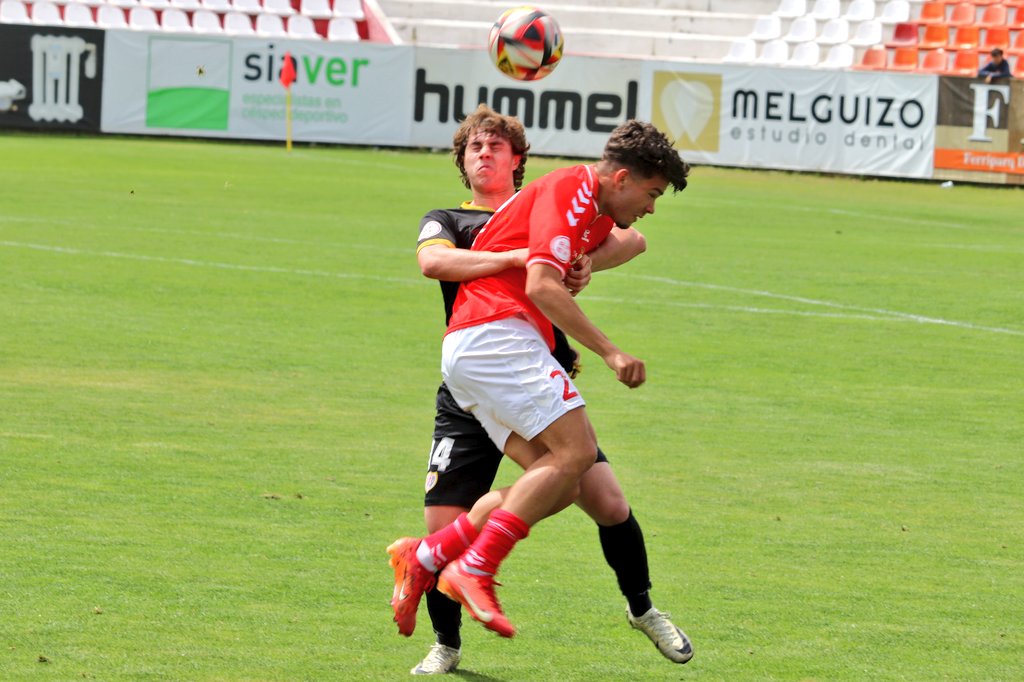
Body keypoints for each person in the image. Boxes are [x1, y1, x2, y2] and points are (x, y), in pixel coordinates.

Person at [392, 105, 692, 675]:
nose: (652, 207)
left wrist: (585, 263)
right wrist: (611, 350)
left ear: (517, 160)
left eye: (497, 147)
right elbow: (526, 279)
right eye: (651, 193)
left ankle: (429, 556)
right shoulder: (564, 189)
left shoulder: (588, 206)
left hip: (500, 354)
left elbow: (631, 240)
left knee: (574, 482)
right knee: (574, 455)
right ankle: (469, 577)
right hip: (496, 344)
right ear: (622, 178)